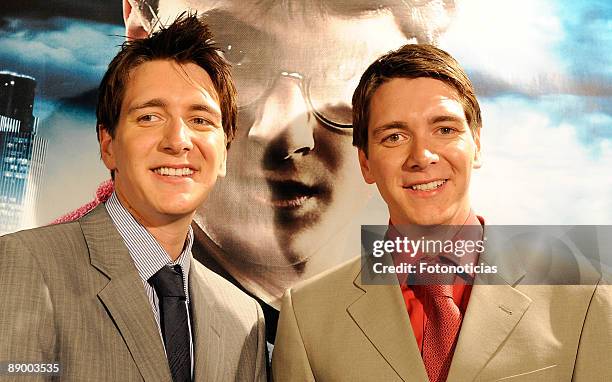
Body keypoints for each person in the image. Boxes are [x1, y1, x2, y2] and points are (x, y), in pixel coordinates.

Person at [57, 0, 458, 346]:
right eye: (234, 54)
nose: (283, 131)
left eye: (347, 71)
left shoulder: (443, 290)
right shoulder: (47, 283)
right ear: (140, 36)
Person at [271, 44, 612, 381]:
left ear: (476, 144)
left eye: (445, 129)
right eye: (394, 136)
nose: (422, 155)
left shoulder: (584, 292)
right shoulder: (307, 315)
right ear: (366, 163)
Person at [0, 14, 266, 381]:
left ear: (224, 154)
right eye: (150, 117)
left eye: (201, 120)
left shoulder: (243, 317)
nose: (178, 140)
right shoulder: (28, 265)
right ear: (108, 144)